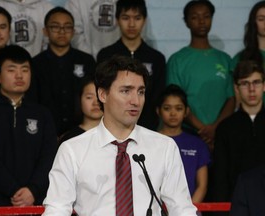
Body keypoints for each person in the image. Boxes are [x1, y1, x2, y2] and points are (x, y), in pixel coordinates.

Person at [42, 55, 197, 216]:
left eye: (141, 92)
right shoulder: (72, 150)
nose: (136, 101)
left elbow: (182, 208)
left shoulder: (164, 147)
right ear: (102, 95)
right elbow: (57, 209)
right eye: (126, 91)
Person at [0, 45, 58, 206]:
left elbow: (49, 157)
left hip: (34, 202)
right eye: (11, 70)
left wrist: (33, 190)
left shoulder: (42, 114)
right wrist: (13, 190)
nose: (19, 75)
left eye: (25, 70)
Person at [166, 0, 234, 150]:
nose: (201, 21)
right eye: (195, 17)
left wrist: (215, 128)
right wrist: (204, 129)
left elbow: (231, 98)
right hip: (187, 133)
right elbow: (175, 100)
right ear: (186, 22)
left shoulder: (225, 59)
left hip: (221, 135)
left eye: (206, 16)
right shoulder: (177, 60)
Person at [97, 0, 166, 131]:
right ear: (117, 20)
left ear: (144, 20)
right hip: (112, 128)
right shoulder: (106, 55)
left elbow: (159, 98)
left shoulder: (156, 58)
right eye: (125, 18)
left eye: (137, 18)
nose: (132, 24)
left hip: (149, 127)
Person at [33, 7, 96, 136]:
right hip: (45, 132)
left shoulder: (87, 61)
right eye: (55, 27)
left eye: (67, 27)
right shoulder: (35, 64)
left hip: (83, 133)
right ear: (45, 31)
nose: (62, 31)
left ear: (73, 31)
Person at [213, 61, 265, 208]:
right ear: (236, 88)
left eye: (256, 82)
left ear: (264, 85)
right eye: (245, 83)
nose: (252, 89)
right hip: (237, 205)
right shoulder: (225, 128)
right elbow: (220, 179)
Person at [156, 84, 210, 204]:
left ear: (186, 111)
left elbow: (202, 186)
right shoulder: (149, 141)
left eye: (178, 108)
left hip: (190, 209)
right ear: (158, 111)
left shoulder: (197, 144)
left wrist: (187, 211)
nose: (173, 113)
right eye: (167, 108)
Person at [231, 1, 265, 107]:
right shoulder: (241, 58)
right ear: (253, 22)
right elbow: (236, 98)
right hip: (252, 118)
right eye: (261, 19)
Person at [58, 77, 103, 144]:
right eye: (89, 97)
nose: (96, 103)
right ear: (79, 101)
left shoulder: (117, 134)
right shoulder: (69, 139)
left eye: (100, 97)